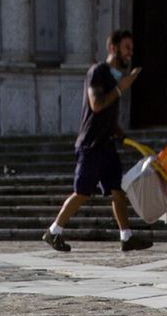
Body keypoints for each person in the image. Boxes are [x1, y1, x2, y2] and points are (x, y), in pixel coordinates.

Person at [44, 29, 151, 253]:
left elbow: (107, 115)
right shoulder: (98, 72)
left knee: (117, 189)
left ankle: (127, 237)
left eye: (131, 48)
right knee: (82, 192)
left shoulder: (114, 76)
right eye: (127, 48)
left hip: (106, 144)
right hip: (91, 144)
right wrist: (121, 89)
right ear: (113, 48)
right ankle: (53, 232)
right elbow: (97, 105)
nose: (130, 53)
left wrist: (120, 134)